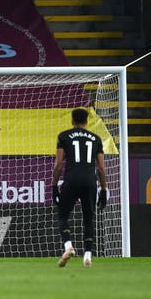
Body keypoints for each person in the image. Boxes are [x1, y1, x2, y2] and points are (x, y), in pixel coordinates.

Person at [52, 108, 107, 268]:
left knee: (63, 216)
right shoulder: (96, 139)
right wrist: (103, 190)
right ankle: (88, 257)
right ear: (87, 121)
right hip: (90, 182)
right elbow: (101, 169)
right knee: (88, 219)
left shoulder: (64, 136)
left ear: (72, 121)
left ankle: (68, 247)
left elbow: (58, 165)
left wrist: (54, 186)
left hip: (71, 181)